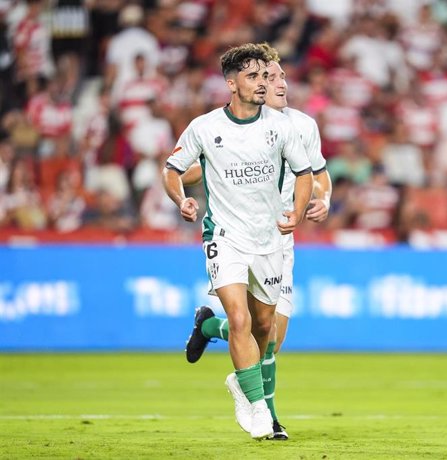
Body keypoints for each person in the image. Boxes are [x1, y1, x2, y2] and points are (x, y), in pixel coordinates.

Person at [162, 43, 314, 440]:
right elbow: (173, 169)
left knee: (266, 329)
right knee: (242, 319)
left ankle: (215, 336)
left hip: (270, 238)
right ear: (231, 83)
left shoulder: (283, 126)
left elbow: (306, 174)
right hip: (225, 236)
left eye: (266, 76)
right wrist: (182, 199)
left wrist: (297, 213)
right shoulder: (205, 127)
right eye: (253, 76)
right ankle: (261, 411)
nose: (263, 84)